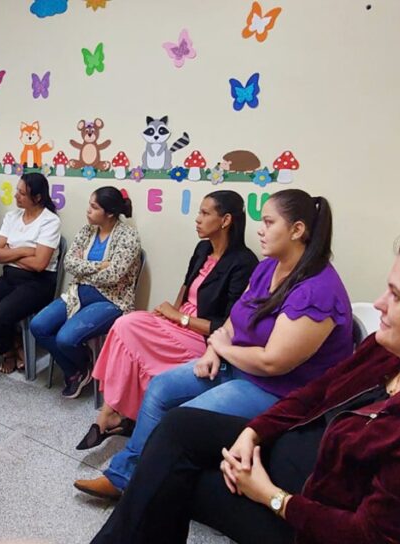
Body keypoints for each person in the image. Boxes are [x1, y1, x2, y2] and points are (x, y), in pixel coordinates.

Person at [91, 227, 400, 544]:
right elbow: (317, 394)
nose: (380, 304)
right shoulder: (393, 352)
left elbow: (368, 537)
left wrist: (268, 495)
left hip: (308, 517)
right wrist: (254, 434)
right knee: (179, 427)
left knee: (170, 475)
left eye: (396, 295)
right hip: (297, 458)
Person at [76, 188, 353, 499]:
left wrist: (220, 348)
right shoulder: (268, 267)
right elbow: (236, 316)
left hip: (279, 389)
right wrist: (211, 351)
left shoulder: (317, 290)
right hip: (238, 366)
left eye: (269, 222)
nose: (260, 229)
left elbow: (273, 362)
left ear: (297, 230)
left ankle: (147, 486)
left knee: (182, 419)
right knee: (161, 388)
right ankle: (123, 474)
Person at [76, 191, 258, 450]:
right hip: (180, 324)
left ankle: (114, 415)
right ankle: (114, 412)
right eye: (199, 212)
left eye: (205, 213)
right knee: (127, 324)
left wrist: (179, 318)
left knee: (128, 327)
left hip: (205, 340)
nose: (197, 219)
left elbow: (227, 326)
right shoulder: (203, 248)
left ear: (226, 220)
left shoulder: (243, 263)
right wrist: (168, 316)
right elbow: (186, 288)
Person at [30, 187, 141, 398]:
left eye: (94, 207)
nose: (88, 211)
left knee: (65, 338)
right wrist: (99, 265)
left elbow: (114, 276)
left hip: (112, 300)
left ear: (109, 213)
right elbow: (70, 263)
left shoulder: (128, 236)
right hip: (78, 292)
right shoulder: (87, 230)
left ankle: (77, 369)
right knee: (38, 326)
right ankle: (79, 368)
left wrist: (86, 266)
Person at [0, 172, 61, 374]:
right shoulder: (12, 217)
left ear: (38, 197)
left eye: (22, 193)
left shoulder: (50, 221)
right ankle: (14, 344)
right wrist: (25, 251)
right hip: (10, 277)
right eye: (17, 190)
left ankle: (7, 352)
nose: (16, 196)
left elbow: (40, 264)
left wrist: (10, 253)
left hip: (38, 283)